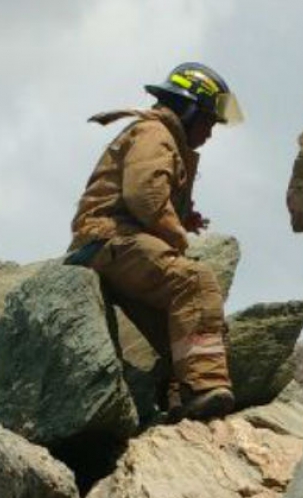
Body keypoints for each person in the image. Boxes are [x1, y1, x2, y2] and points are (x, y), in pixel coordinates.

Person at [66, 62, 244, 421]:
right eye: (208, 122)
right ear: (190, 109)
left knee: (176, 323)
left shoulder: (162, 137)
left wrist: (183, 217)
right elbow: (145, 196)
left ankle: (177, 400)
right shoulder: (155, 132)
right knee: (194, 284)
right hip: (111, 239)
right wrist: (178, 237)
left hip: (114, 243)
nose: (209, 133)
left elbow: (150, 194)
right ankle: (204, 389)